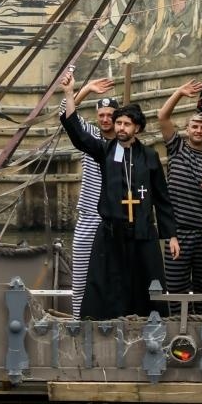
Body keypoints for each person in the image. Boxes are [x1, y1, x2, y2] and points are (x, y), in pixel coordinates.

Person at [60, 95, 179, 319]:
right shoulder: (105, 150)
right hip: (111, 234)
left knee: (147, 287)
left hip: (143, 233)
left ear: (138, 128)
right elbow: (78, 135)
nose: (121, 128)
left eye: (126, 124)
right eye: (118, 123)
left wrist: (171, 236)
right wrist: (69, 92)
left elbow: (162, 199)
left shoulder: (150, 156)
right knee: (106, 286)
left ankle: (148, 329)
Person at [156, 79, 202, 309]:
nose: (198, 130)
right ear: (187, 130)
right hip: (178, 235)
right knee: (176, 293)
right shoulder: (176, 149)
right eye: (194, 126)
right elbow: (162, 117)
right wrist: (179, 92)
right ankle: (180, 343)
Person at [59, 72, 116, 318]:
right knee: (80, 277)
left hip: (113, 219)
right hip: (89, 216)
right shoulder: (90, 136)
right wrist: (82, 90)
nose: (105, 120)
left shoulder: (124, 143)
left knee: (113, 275)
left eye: (109, 116)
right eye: (101, 115)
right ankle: (76, 321)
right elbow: (66, 115)